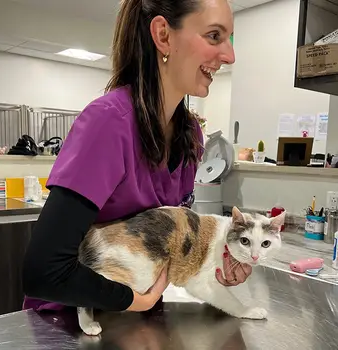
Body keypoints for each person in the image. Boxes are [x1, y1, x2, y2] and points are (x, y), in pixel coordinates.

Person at [22, 0, 252, 314]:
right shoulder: (109, 123)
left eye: (230, 39)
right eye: (214, 36)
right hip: (70, 323)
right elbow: (44, 272)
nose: (229, 55)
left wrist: (217, 265)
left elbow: (172, 244)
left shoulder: (190, 135)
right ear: (163, 36)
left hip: (134, 320)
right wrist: (132, 301)